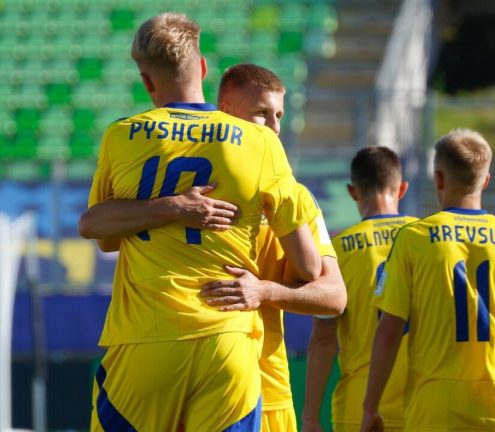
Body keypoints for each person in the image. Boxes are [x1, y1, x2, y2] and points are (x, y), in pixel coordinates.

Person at [78, 13, 322, 431]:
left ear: (147, 81)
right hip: (227, 344)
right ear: (203, 68)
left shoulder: (121, 135)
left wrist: (167, 208)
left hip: (145, 343)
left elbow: (97, 231)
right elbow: (311, 269)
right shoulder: (261, 142)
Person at [361, 129, 495, 432]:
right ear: (485, 181)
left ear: (438, 178)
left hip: (433, 410)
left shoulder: (414, 238)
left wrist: (370, 407)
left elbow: (388, 332)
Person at [200, 63, 347, 432]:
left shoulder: (296, 197)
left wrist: (263, 290)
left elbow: (334, 295)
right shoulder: (189, 190)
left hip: (266, 382)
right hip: (193, 378)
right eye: (262, 114)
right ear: (226, 112)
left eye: (279, 115)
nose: (275, 127)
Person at [301, 146, 415, 432]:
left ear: (353, 192)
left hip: (358, 406)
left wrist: (311, 417)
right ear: (401, 189)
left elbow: (324, 338)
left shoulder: (337, 249)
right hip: (422, 403)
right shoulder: (426, 240)